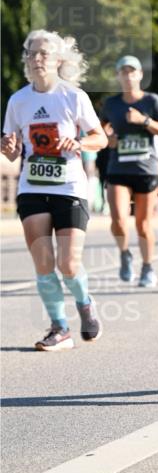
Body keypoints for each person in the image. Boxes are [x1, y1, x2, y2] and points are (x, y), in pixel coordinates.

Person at [1, 29, 107, 350]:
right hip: (32, 187)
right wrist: (7, 146)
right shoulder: (18, 101)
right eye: (32, 53)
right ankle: (60, 328)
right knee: (44, 263)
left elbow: (99, 138)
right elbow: (12, 150)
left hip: (70, 187)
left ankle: (85, 303)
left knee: (69, 264)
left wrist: (78, 142)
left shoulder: (73, 97)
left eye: (44, 53)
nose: (37, 59)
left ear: (59, 60)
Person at [101, 55, 158, 286]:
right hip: (118, 168)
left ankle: (148, 267)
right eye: (124, 72)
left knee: (143, 224)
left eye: (132, 72)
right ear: (118, 76)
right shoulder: (111, 104)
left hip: (146, 170)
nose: (128, 76)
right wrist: (109, 138)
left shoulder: (152, 101)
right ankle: (124, 254)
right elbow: (101, 132)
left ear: (140, 75)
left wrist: (144, 121)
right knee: (119, 219)